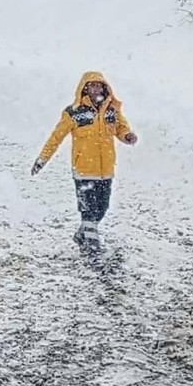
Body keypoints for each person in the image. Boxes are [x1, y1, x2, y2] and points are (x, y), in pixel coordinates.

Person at [31, 71, 138, 253]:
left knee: (102, 207)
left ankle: (83, 233)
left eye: (99, 85)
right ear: (84, 89)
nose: (96, 89)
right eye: (92, 85)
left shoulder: (112, 110)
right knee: (88, 209)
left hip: (106, 169)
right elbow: (56, 137)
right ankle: (91, 246)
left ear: (105, 88)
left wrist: (127, 136)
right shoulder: (73, 113)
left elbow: (121, 128)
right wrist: (42, 159)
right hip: (83, 170)